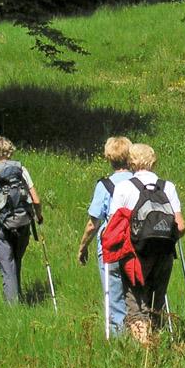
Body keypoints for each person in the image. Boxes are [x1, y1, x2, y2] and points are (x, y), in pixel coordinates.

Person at [108, 143, 185, 344]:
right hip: (164, 253)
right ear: (153, 161)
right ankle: (157, 345)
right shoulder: (167, 186)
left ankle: (145, 354)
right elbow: (181, 226)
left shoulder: (124, 187)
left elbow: (113, 225)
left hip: (135, 255)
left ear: (130, 161)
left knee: (135, 304)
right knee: (155, 304)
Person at [0, 136, 43, 304]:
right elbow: (36, 200)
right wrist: (38, 216)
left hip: (1, 226)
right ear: (11, 150)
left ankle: (13, 309)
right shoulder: (22, 170)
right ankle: (18, 298)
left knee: (7, 268)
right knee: (16, 263)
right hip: (23, 222)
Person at [77, 136, 133, 334]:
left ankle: (119, 343)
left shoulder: (105, 185)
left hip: (111, 248)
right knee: (137, 300)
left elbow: (93, 224)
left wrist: (83, 247)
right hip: (137, 247)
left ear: (109, 157)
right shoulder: (138, 182)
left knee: (115, 301)